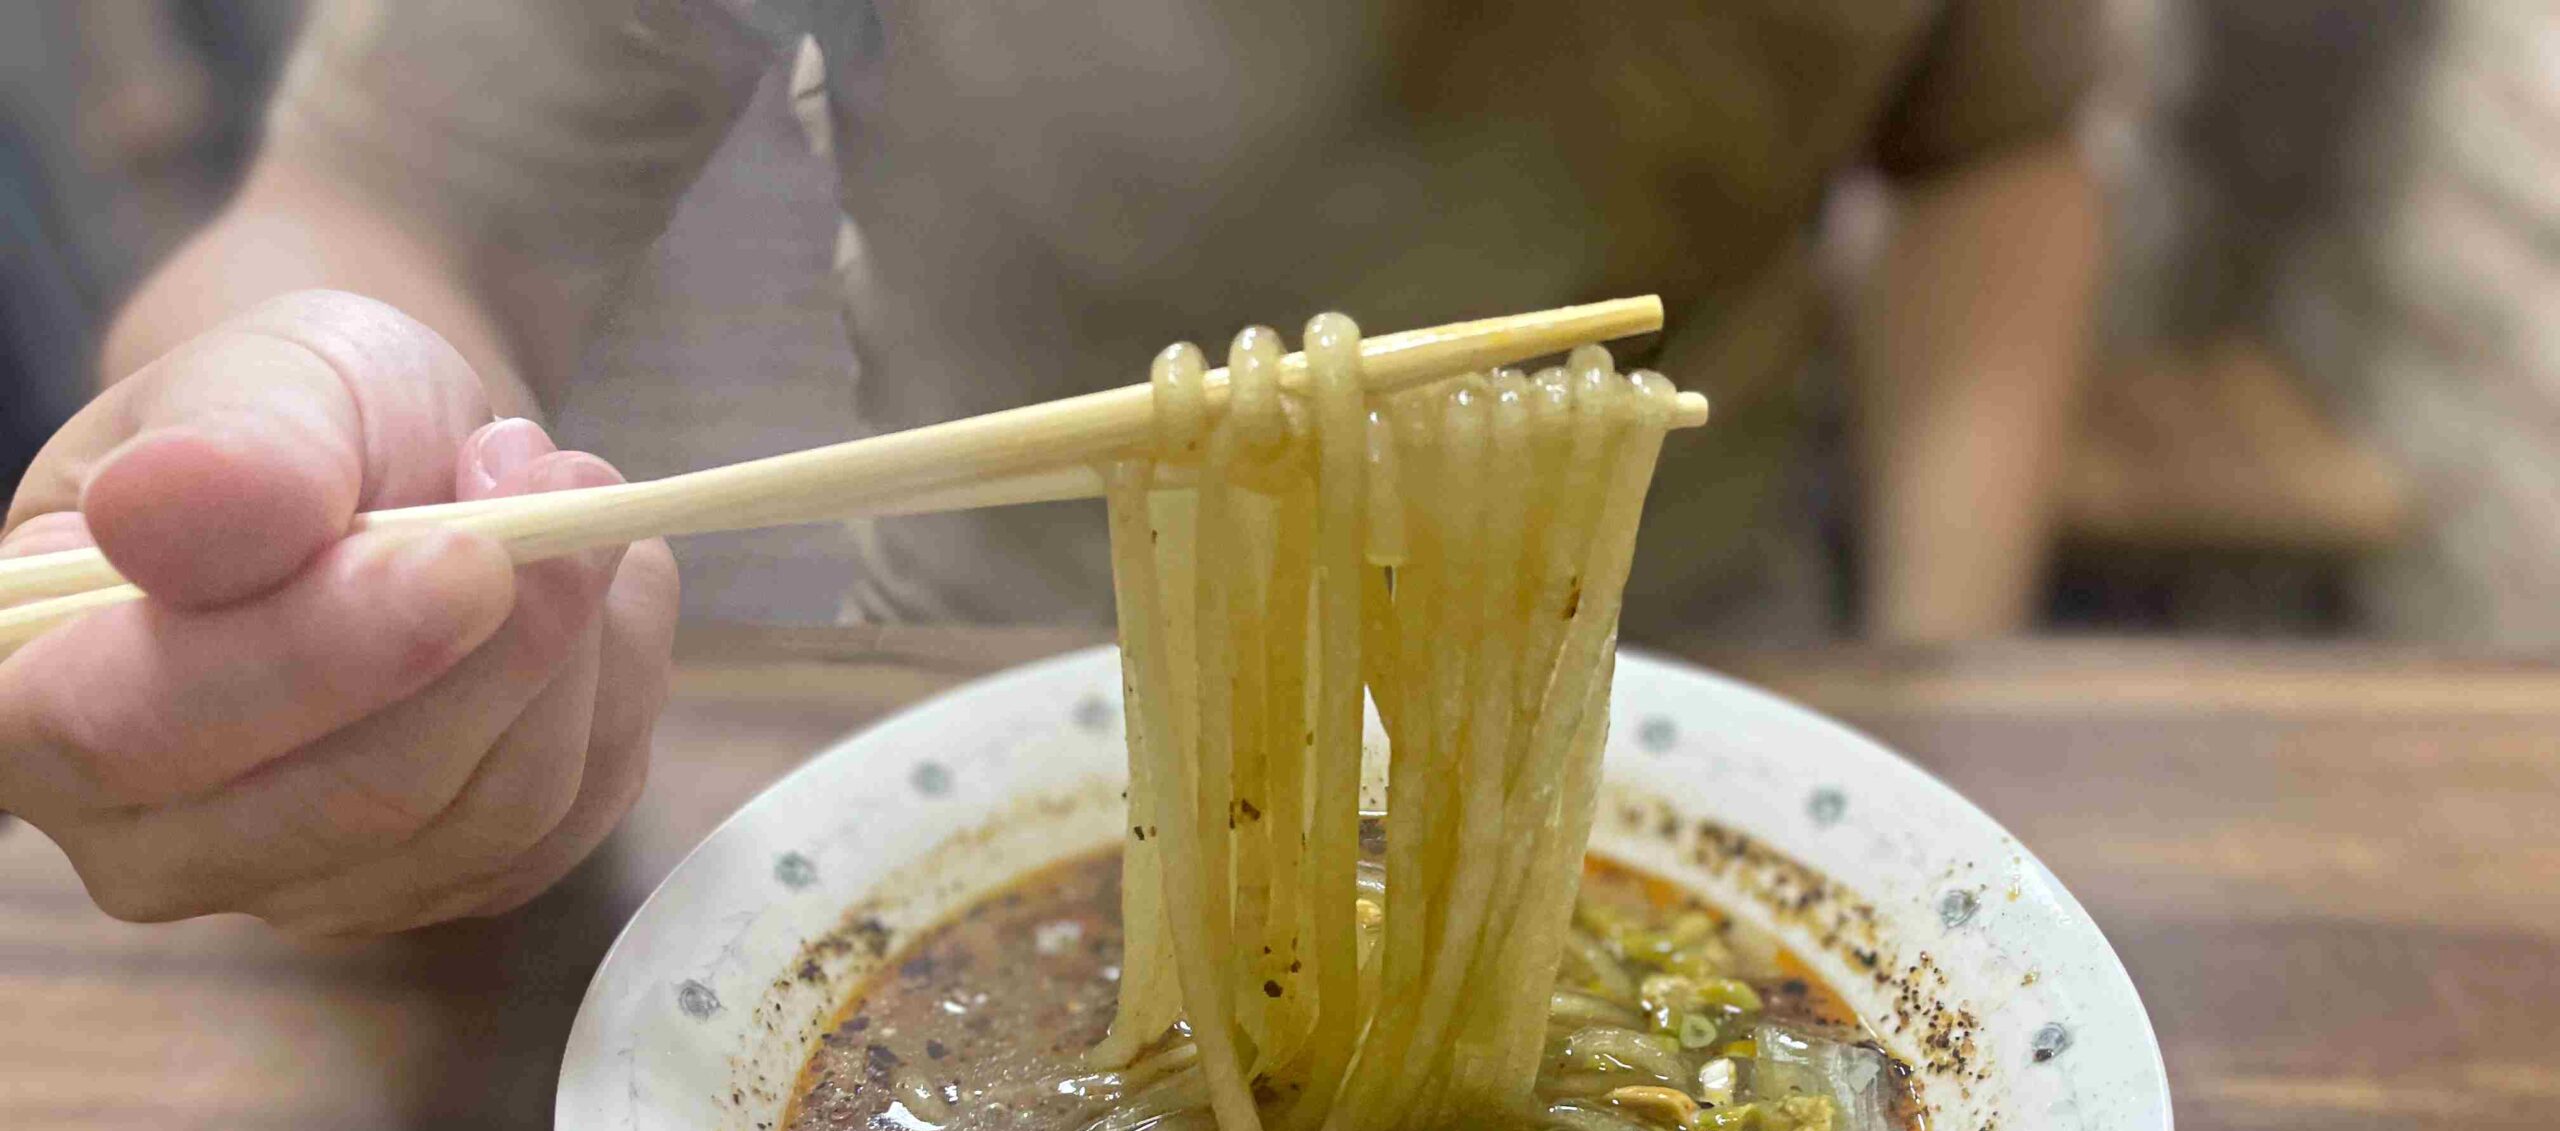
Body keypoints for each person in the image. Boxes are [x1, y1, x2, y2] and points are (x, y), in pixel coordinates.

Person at [0, 1, 2100, 938]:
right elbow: (385, 200)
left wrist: (1953, 672)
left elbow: (1990, 151)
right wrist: (296, 409)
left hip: (1716, 691)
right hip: (968, 709)